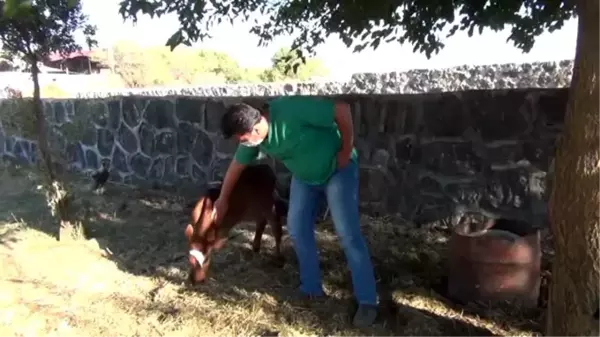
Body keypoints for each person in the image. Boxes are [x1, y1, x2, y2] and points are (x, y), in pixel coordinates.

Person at [213, 96, 378, 327]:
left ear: (257, 125)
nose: (244, 144)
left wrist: (346, 149)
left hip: (338, 169)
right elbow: (236, 167)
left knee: (347, 233)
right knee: (297, 228)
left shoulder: (291, 109)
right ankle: (311, 288)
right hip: (305, 178)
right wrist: (222, 199)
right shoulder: (255, 138)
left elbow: (342, 109)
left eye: (244, 138)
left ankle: (368, 300)